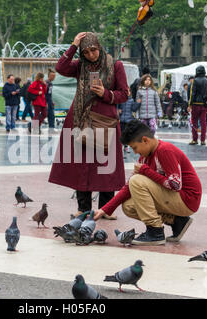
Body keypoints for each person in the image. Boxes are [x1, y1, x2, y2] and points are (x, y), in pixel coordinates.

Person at [48, 31, 129, 221]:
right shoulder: (79, 66)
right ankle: (83, 207)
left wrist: (105, 93)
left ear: (99, 47)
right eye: (86, 52)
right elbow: (60, 67)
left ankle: (106, 209)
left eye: (93, 50)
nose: (91, 54)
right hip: (80, 119)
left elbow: (124, 94)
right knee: (81, 164)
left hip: (104, 120)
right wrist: (74, 45)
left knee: (105, 166)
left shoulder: (115, 65)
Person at [93, 120, 201, 245]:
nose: (134, 152)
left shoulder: (164, 150)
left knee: (137, 181)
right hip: (175, 198)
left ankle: (155, 232)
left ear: (145, 140)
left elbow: (175, 185)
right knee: (128, 206)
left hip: (187, 199)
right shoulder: (145, 157)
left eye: (134, 147)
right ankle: (176, 221)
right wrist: (104, 210)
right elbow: (128, 188)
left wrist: (145, 171)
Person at [188, 65, 207, 146]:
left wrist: (190, 104)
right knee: (203, 123)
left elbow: (192, 94)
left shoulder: (195, 81)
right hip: (204, 105)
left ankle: (195, 139)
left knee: (194, 122)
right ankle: (203, 140)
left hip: (195, 105)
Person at [118, 89, 139, 153]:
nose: (127, 92)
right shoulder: (121, 100)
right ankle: (121, 146)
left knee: (127, 134)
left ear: (130, 93)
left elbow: (134, 109)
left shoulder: (131, 100)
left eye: (128, 91)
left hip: (128, 120)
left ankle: (126, 146)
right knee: (121, 133)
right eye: (126, 91)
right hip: (121, 120)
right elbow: (118, 106)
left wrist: (138, 103)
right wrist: (118, 110)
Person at [46, 69, 57, 133]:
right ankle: (31, 125)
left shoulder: (51, 84)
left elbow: (49, 94)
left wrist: (51, 101)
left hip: (49, 102)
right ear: (49, 76)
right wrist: (45, 102)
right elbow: (44, 94)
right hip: (45, 102)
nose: (54, 77)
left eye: (54, 76)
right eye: (52, 76)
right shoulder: (46, 83)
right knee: (42, 115)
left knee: (51, 116)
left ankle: (51, 129)